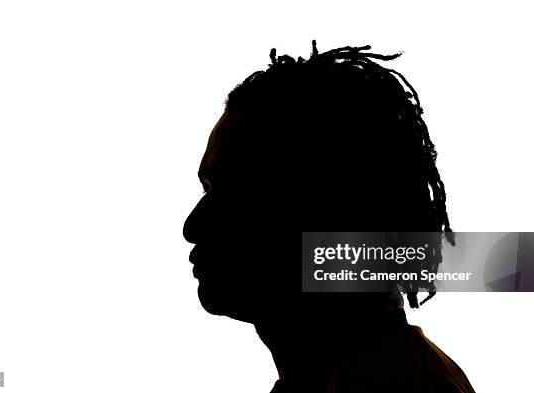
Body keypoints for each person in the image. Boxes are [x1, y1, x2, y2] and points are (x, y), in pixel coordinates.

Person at [183, 40, 476, 393]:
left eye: (238, 191)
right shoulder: (346, 377)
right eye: (208, 190)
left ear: (332, 206)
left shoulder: (399, 385)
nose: (193, 225)